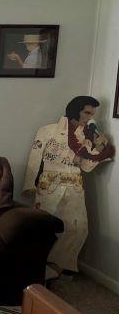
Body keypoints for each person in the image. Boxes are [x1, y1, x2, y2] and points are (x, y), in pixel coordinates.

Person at [23, 96, 114, 273]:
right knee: (41, 227)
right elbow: (35, 158)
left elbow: (87, 167)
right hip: (50, 185)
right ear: (75, 110)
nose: (89, 117)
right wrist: (29, 183)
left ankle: (55, 265)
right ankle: (35, 266)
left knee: (78, 229)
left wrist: (98, 148)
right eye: (87, 112)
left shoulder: (86, 138)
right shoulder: (48, 130)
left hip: (74, 187)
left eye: (92, 114)